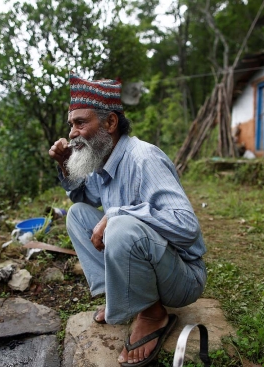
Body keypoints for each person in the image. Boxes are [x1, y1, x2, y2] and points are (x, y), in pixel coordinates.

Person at [48, 74, 207, 366]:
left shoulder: (143, 158)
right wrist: (64, 163)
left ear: (110, 123)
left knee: (119, 223)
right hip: (152, 265)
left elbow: (187, 228)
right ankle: (119, 297)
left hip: (183, 277)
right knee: (77, 215)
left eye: (80, 122)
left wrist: (118, 213)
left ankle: (153, 314)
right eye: (71, 124)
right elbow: (86, 200)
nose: (72, 133)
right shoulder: (102, 158)